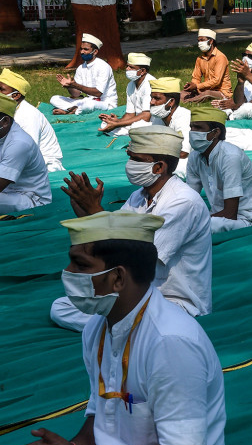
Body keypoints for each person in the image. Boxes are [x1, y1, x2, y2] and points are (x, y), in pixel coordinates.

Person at [3, 212, 225, 445]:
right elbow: (101, 417)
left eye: (80, 265)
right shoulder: (97, 327)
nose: (68, 273)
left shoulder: (171, 342)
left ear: (117, 278)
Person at [52, 126, 213, 331]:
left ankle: (121, 324)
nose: (130, 164)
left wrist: (95, 210)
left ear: (159, 167)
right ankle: (121, 323)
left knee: (94, 314)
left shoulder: (184, 202)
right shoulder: (139, 196)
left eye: (136, 159)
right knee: (62, 306)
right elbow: (110, 237)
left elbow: (133, 253)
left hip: (175, 302)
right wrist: (86, 213)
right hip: (138, 294)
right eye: (130, 157)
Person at [186, 103, 252, 232]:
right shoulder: (194, 157)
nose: (192, 132)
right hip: (217, 216)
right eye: (191, 127)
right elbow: (189, 199)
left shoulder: (230, 156)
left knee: (201, 227)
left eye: (198, 128)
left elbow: (231, 213)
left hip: (247, 218)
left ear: (215, 133)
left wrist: (193, 223)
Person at [0, 69, 62, 172]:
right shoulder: (9, 111)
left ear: (16, 95)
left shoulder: (28, 115)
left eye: (1, 89)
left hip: (44, 165)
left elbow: (25, 151)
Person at [0, 93, 50, 213]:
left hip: (29, 198)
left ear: (5, 121)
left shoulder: (19, 143)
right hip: (6, 193)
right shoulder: (3, 133)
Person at [49, 34, 116, 115]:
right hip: (88, 100)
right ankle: (73, 110)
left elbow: (98, 93)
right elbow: (76, 94)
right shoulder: (81, 68)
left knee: (90, 105)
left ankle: (68, 111)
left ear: (95, 52)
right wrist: (69, 86)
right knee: (54, 99)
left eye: (86, 49)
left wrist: (76, 85)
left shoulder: (103, 66)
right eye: (81, 49)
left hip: (105, 103)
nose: (82, 52)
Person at [98, 53, 152, 136]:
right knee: (105, 124)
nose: (127, 69)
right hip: (136, 120)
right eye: (127, 66)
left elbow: (146, 116)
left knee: (137, 127)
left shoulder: (150, 85)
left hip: (150, 122)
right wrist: (117, 121)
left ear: (143, 71)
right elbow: (130, 114)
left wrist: (118, 124)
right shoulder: (130, 85)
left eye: (131, 67)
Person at [215, 42, 252, 120]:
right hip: (243, 105)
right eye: (244, 55)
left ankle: (230, 119)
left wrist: (237, 105)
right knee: (222, 105)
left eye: (250, 56)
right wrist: (240, 83)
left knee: (246, 108)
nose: (246, 58)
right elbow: (239, 100)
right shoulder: (246, 71)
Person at [148, 77, 192, 166]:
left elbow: (183, 153)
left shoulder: (183, 116)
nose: (151, 102)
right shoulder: (159, 118)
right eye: (152, 98)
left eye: (157, 98)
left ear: (171, 102)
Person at [183, 29, 231, 102]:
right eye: (198, 40)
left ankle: (188, 101)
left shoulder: (220, 57)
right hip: (205, 90)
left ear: (211, 41)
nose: (200, 43)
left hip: (221, 92)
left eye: (202, 40)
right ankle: (190, 98)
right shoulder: (199, 59)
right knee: (182, 93)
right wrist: (192, 86)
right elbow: (196, 77)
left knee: (207, 93)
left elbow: (216, 81)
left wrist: (197, 86)